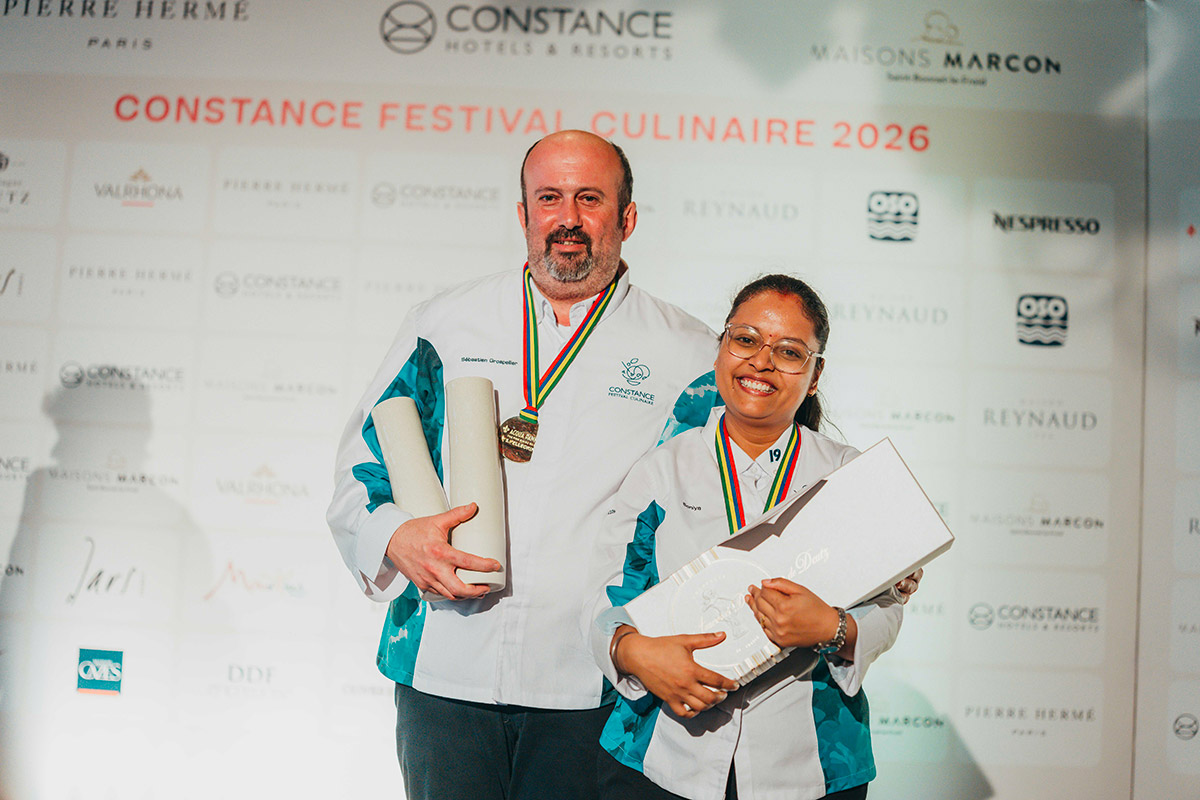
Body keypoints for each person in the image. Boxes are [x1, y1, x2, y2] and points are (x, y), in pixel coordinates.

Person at [326, 130, 722, 800]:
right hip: (443, 672)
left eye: (590, 199)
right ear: (523, 214)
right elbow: (363, 465)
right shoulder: (447, 323)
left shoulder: (688, 354)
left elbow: (720, 506)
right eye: (549, 198)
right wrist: (396, 537)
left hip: (594, 685)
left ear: (627, 217)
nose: (568, 218)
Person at [587, 274, 907, 800]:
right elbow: (605, 594)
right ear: (721, 349)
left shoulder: (848, 474)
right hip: (664, 755)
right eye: (746, 339)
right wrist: (634, 652)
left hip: (813, 762)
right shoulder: (663, 469)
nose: (762, 362)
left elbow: (889, 604)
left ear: (815, 374)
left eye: (789, 352)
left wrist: (831, 628)